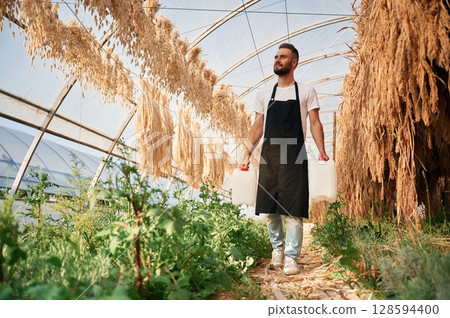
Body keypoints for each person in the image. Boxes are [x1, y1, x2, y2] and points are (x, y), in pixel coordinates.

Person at [240, 43, 329, 275]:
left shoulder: (307, 91)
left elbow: (315, 123)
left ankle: (291, 257)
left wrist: (322, 151)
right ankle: (277, 250)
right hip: (270, 153)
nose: (277, 60)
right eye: (276, 56)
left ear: (294, 62)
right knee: (269, 209)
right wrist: (247, 153)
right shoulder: (263, 94)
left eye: (283, 57)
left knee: (293, 208)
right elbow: (257, 127)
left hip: (295, 153)